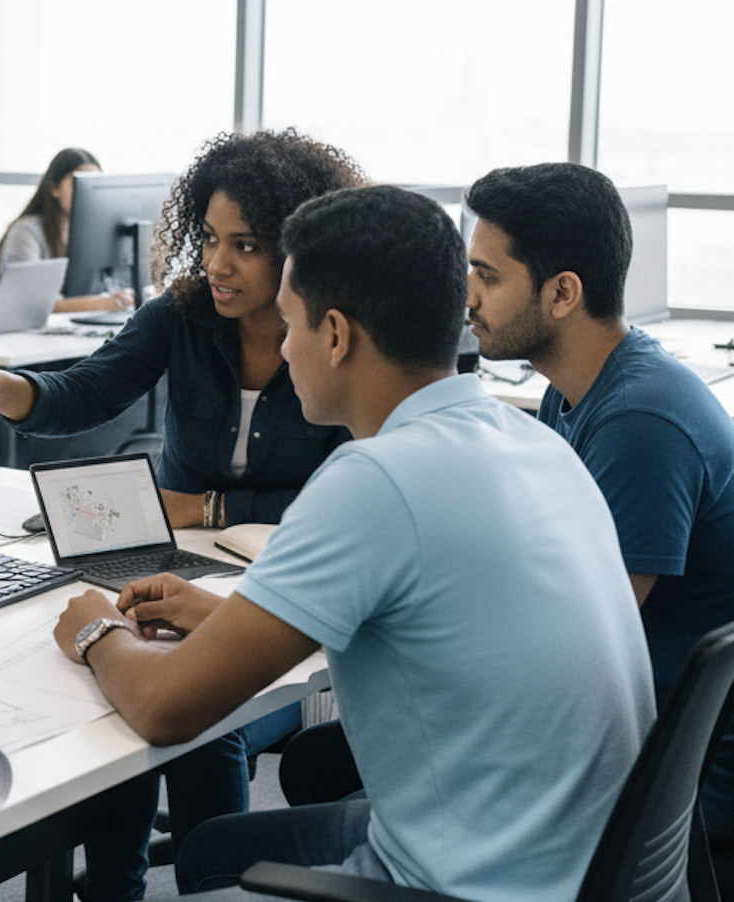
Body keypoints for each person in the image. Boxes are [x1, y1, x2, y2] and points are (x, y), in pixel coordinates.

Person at [54, 184, 654, 901]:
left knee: (214, 849)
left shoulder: (373, 478)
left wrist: (94, 628)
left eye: (288, 325)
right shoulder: (531, 439)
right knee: (216, 849)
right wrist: (222, 619)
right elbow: (431, 628)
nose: (281, 348)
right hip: (583, 868)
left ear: (335, 335)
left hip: (462, 885)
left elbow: (163, 708)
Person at [0, 129, 363, 900]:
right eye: (209, 239)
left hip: (279, 578)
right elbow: (83, 392)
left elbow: (340, 492)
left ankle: (204, 885)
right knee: (107, 684)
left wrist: (217, 503)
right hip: (168, 555)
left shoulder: (329, 337)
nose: (217, 264)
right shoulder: (183, 314)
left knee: (197, 717)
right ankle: (113, 886)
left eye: (245, 245)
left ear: (296, 248)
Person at [467, 162, 734, 855]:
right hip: (641, 728)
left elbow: (584, 637)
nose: (468, 296)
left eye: (488, 276)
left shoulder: (641, 420)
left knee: (346, 764)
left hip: (681, 780)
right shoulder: (573, 391)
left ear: (562, 293)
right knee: (339, 755)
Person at [0, 147, 129, 316]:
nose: (89, 193)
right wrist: (100, 303)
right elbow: (31, 302)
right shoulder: (26, 230)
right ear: (54, 188)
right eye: (79, 184)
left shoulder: (94, 233)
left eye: (94, 185)